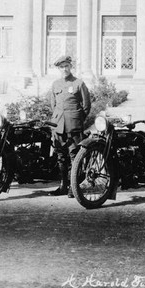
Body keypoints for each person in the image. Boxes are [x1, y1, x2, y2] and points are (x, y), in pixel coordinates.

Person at [49, 55, 91, 196]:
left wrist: (77, 119)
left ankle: (74, 187)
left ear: (70, 67)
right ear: (59, 69)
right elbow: (53, 105)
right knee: (61, 156)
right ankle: (63, 185)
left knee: (74, 155)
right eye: (61, 67)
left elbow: (86, 106)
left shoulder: (79, 83)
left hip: (73, 126)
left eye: (66, 66)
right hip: (58, 126)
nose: (64, 69)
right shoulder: (55, 84)